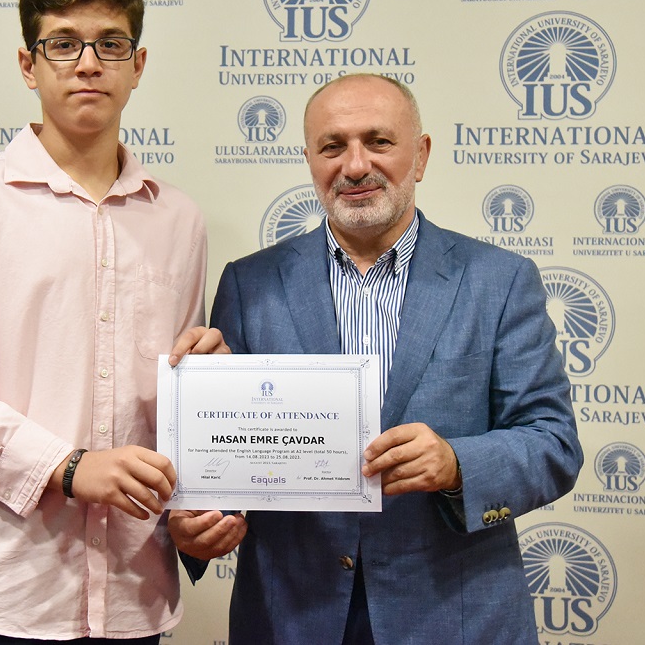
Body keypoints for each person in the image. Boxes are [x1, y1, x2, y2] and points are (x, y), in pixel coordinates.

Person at [171, 73, 583, 644]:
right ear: (310, 160)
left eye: (379, 141)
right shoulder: (250, 284)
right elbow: (231, 457)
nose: (356, 165)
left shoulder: (500, 280)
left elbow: (553, 443)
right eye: (332, 146)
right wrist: (199, 522)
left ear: (422, 154)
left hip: (455, 619)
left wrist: (456, 464)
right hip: (292, 617)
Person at [0, 0, 224, 644]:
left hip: (131, 592)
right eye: (63, 43)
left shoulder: (179, 220)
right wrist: (66, 468)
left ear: (138, 64)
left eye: (110, 44)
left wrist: (206, 410)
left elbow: (167, 406)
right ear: (28, 64)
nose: (88, 63)